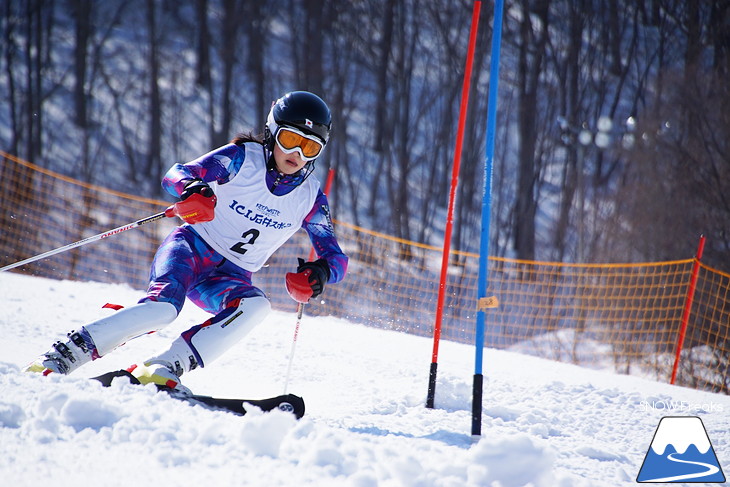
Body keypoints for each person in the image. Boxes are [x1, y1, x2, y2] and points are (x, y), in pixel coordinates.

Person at [25, 91, 348, 392]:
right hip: (191, 250)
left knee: (257, 306)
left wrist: (319, 273)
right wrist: (194, 189)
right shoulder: (241, 159)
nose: (296, 153)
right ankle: (63, 355)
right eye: (290, 140)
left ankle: (164, 367)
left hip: (230, 277)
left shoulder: (309, 198)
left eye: (309, 147)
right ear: (271, 132)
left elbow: (335, 259)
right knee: (162, 309)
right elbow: (176, 174)